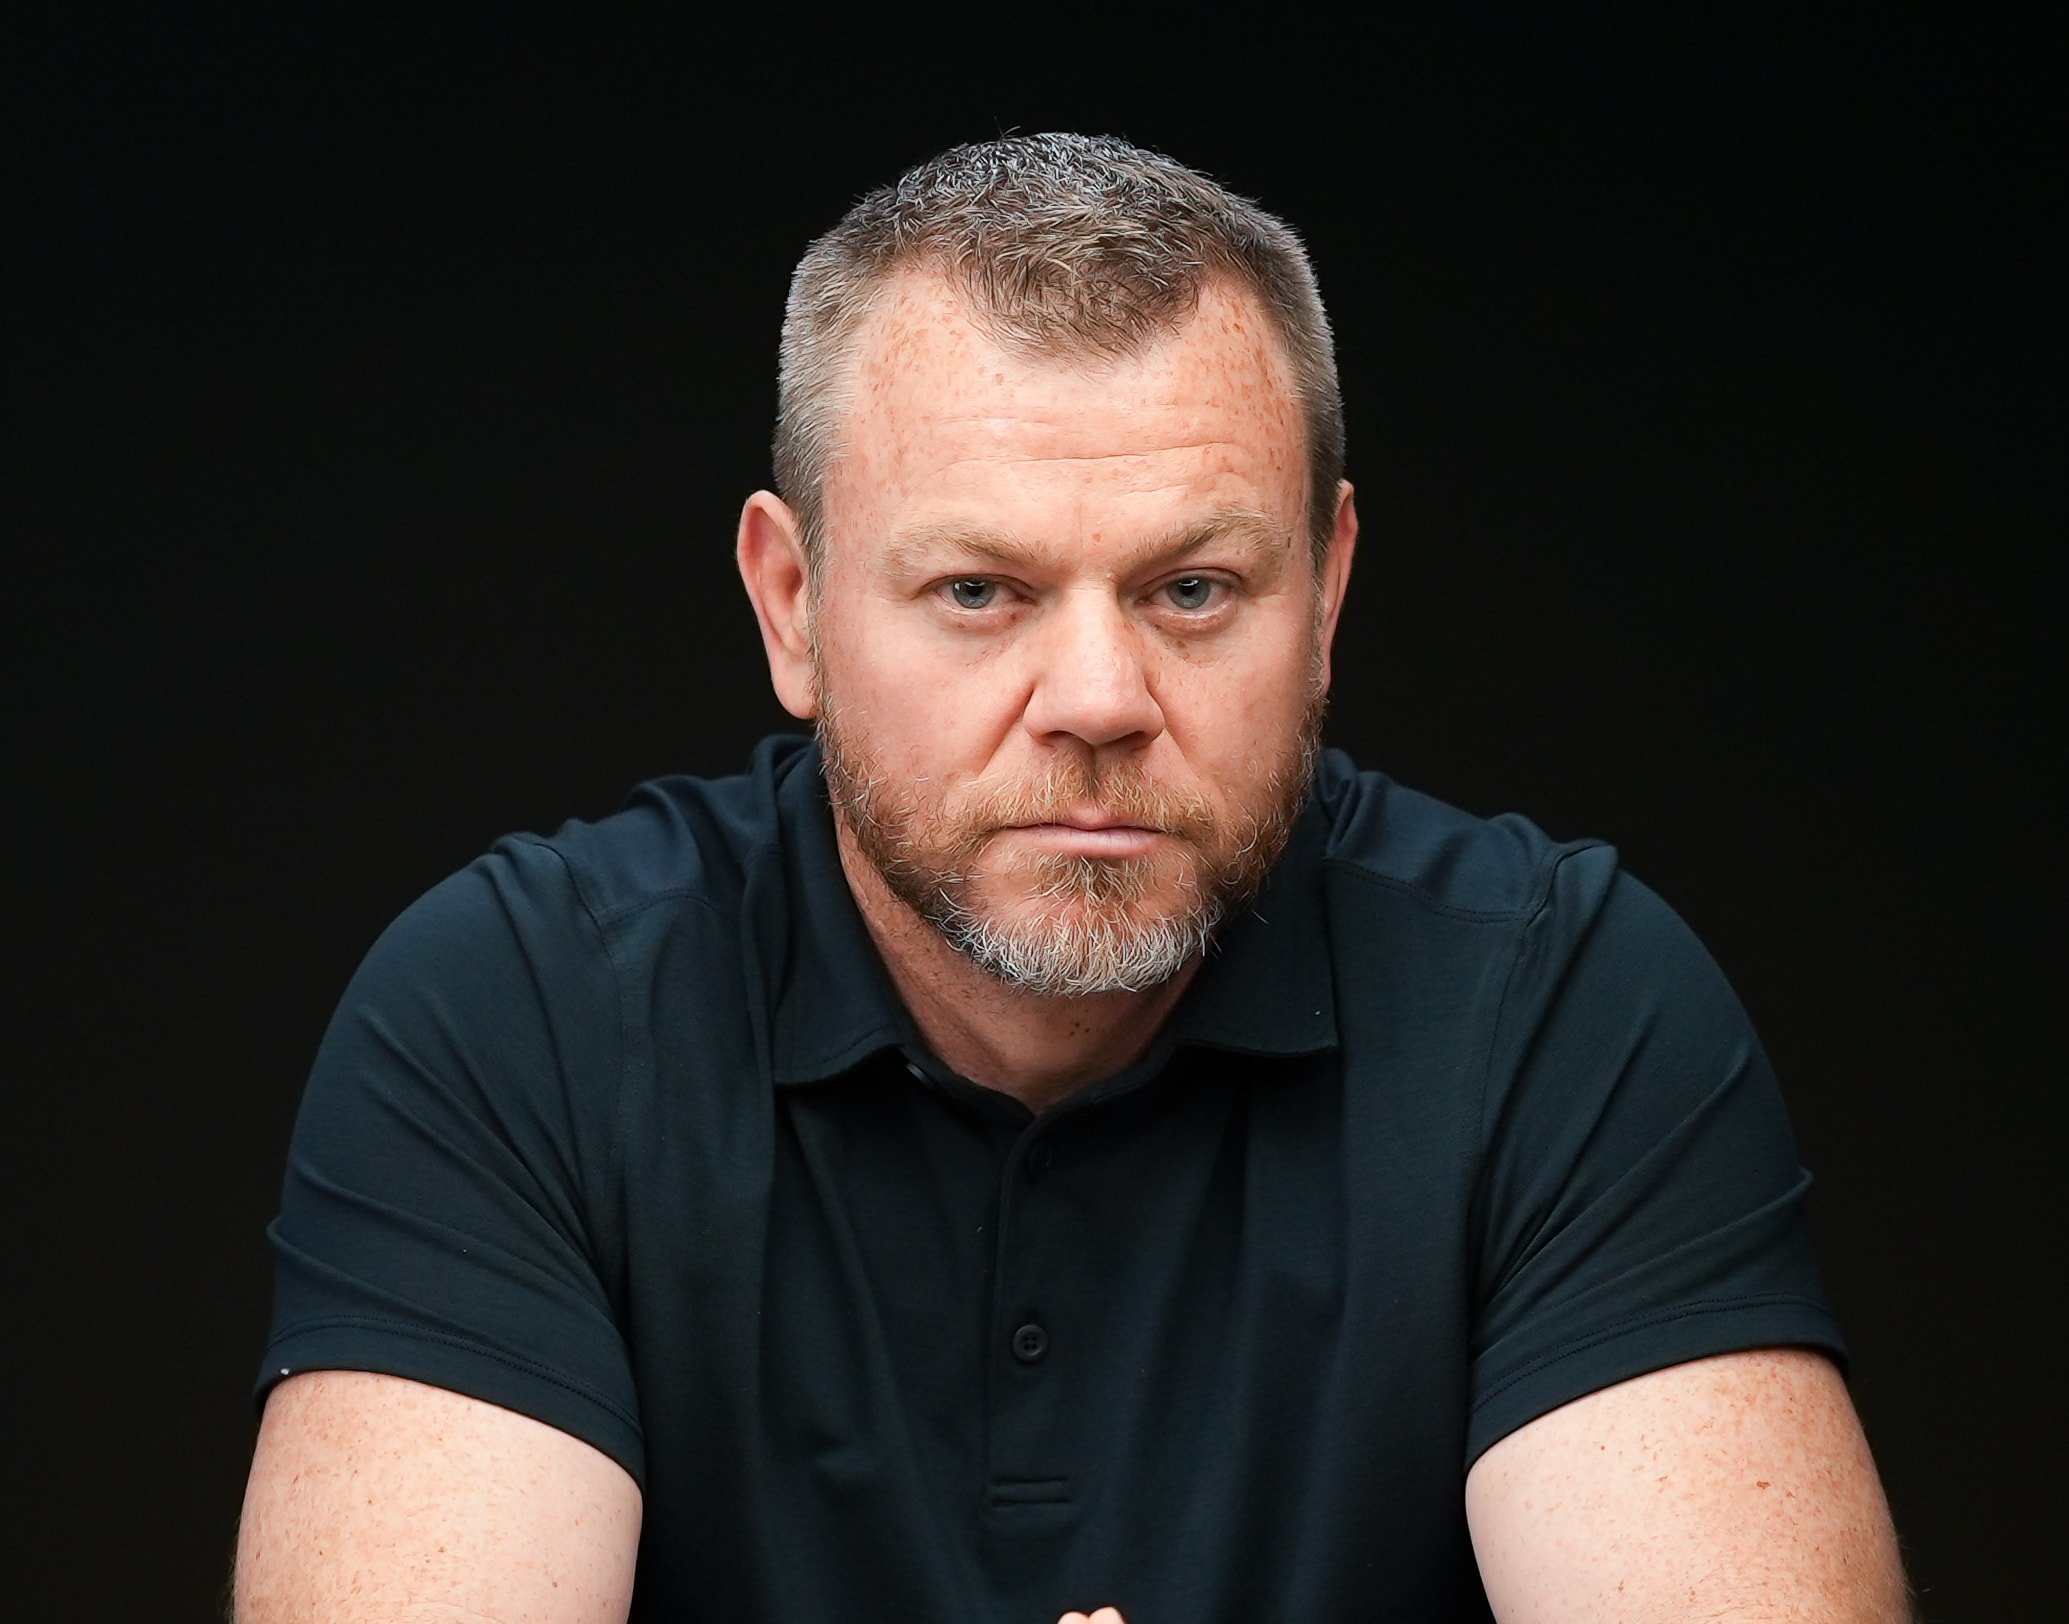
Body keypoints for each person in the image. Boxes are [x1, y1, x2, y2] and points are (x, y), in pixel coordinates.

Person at [235, 133, 1911, 1622]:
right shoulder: (512, 1013)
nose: (1100, 700)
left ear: (1322, 592)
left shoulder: (1561, 1005)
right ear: (790, 603)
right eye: (978, 591)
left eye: (1191, 588)